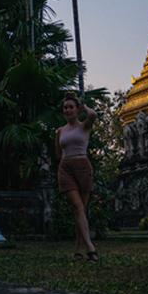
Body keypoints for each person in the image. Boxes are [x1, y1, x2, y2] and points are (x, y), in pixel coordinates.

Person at [55, 92, 98, 262]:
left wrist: (83, 105)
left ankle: (78, 250)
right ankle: (90, 248)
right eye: (65, 107)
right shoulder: (59, 131)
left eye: (71, 107)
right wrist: (64, 166)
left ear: (77, 109)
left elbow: (93, 114)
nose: (67, 110)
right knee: (78, 206)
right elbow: (58, 154)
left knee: (81, 211)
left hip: (83, 167)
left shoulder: (84, 126)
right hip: (66, 168)